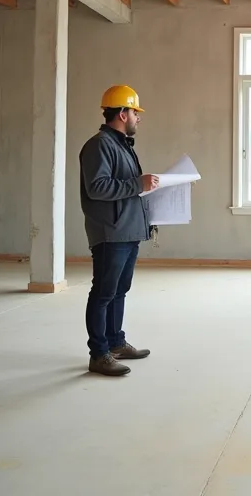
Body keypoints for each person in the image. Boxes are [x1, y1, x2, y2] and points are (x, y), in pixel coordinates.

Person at [78, 85, 158, 377]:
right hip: (111, 233)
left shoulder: (122, 145)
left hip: (127, 230)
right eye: (135, 112)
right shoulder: (99, 145)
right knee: (103, 293)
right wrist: (139, 184)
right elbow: (97, 187)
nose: (139, 118)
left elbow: (126, 189)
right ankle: (99, 354)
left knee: (119, 291)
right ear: (122, 114)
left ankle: (115, 342)